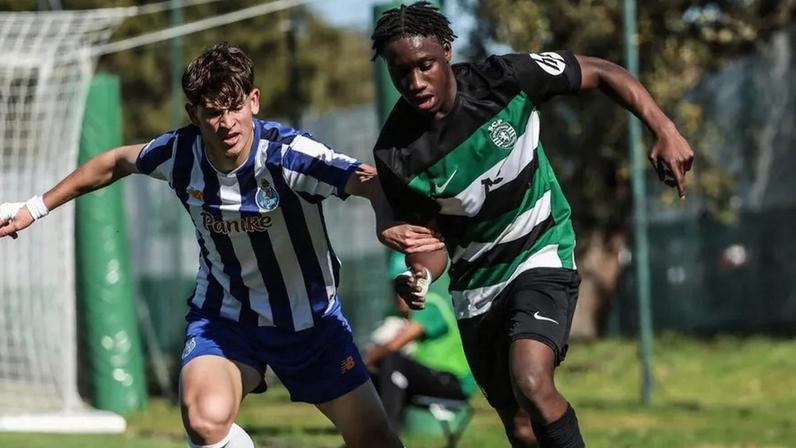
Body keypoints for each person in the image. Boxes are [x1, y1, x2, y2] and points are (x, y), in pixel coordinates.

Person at [0, 43, 441, 448]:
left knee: (375, 439)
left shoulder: (289, 154)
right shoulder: (180, 154)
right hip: (226, 319)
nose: (226, 122)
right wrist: (34, 207)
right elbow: (115, 161)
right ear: (193, 114)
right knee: (205, 420)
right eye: (212, 112)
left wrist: (386, 219)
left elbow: (366, 179)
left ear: (254, 101)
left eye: (234, 107)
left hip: (312, 325)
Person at [369, 3, 695, 448]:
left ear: (446, 51)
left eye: (424, 65)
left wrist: (664, 128)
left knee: (532, 382)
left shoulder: (504, 79)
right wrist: (422, 275)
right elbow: (431, 242)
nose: (414, 82)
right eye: (400, 71)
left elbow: (601, 71)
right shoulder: (397, 153)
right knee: (520, 425)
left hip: (541, 248)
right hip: (475, 284)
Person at [365, 252, 476, 431]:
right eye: (397, 287)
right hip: (426, 376)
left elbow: (394, 345)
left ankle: (387, 433)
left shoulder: (430, 304)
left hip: (452, 380)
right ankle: (366, 433)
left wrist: (366, 361)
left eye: (406, 286)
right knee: (377, 373)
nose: (400, 293)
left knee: (393, 362)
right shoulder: (395, 314)